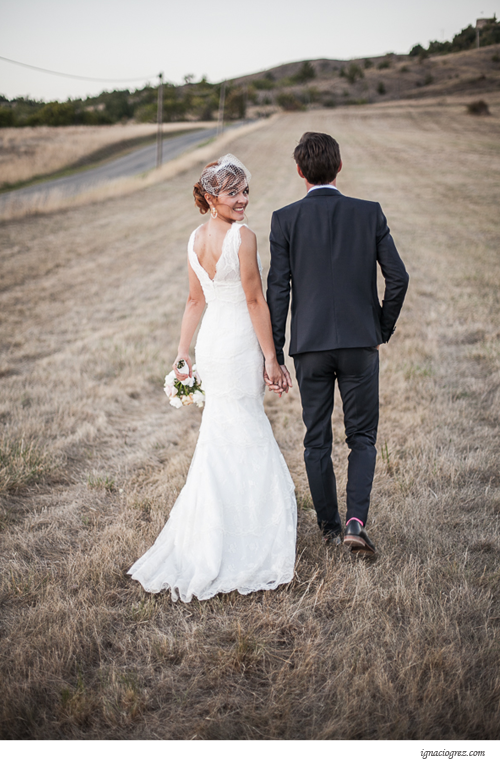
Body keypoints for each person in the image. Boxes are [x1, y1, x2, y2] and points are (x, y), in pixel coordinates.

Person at [128, 155, 297, 602]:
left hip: (212, 343)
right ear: (209, 197)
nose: (243, 200)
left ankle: (211, 526)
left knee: (223, 429)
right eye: (233, 193)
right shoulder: (242, 237)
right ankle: (246, 533)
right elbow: (256, 300)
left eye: (245, 191)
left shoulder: (194, 238)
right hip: (239, 341)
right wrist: (272, 358)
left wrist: (184, 352)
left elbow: (193, 300)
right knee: (245, 427)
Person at [266, 132, 409, 555]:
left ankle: (328, 527)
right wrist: (379, 328)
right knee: (362, 437)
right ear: (340, 166)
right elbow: (398, 278)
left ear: (299, 171)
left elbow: (278, 290)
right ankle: (354, 523)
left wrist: (275, 352)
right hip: (359, 343)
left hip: (308, 347)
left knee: (316, 440)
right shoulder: (369, 213)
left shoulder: (284, 219)